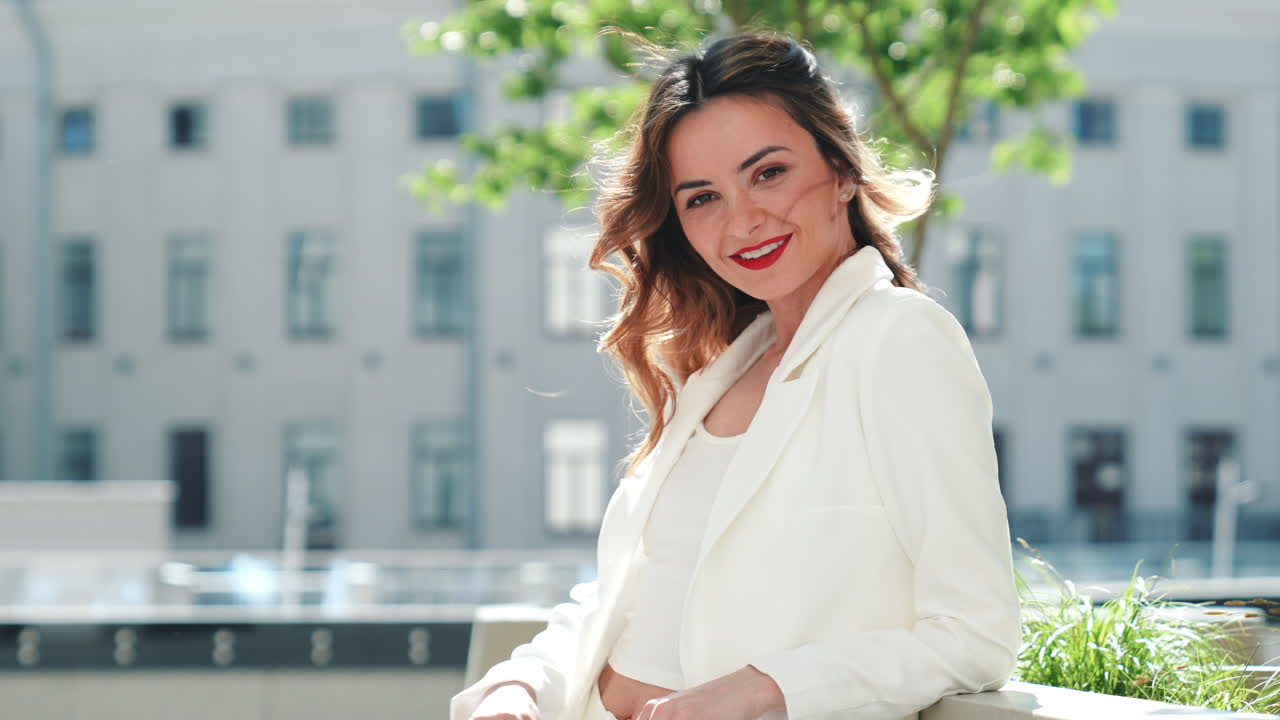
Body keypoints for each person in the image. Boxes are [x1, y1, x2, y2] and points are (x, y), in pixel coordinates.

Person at [451, 29, 1022, 720]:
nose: (743, 221)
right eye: (702, 198)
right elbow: (628, 596)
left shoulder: (898, 339)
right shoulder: (727, 362)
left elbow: (974, 634)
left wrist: (771, 690)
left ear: (841, 169)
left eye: (768, 173)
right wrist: (520, 686)